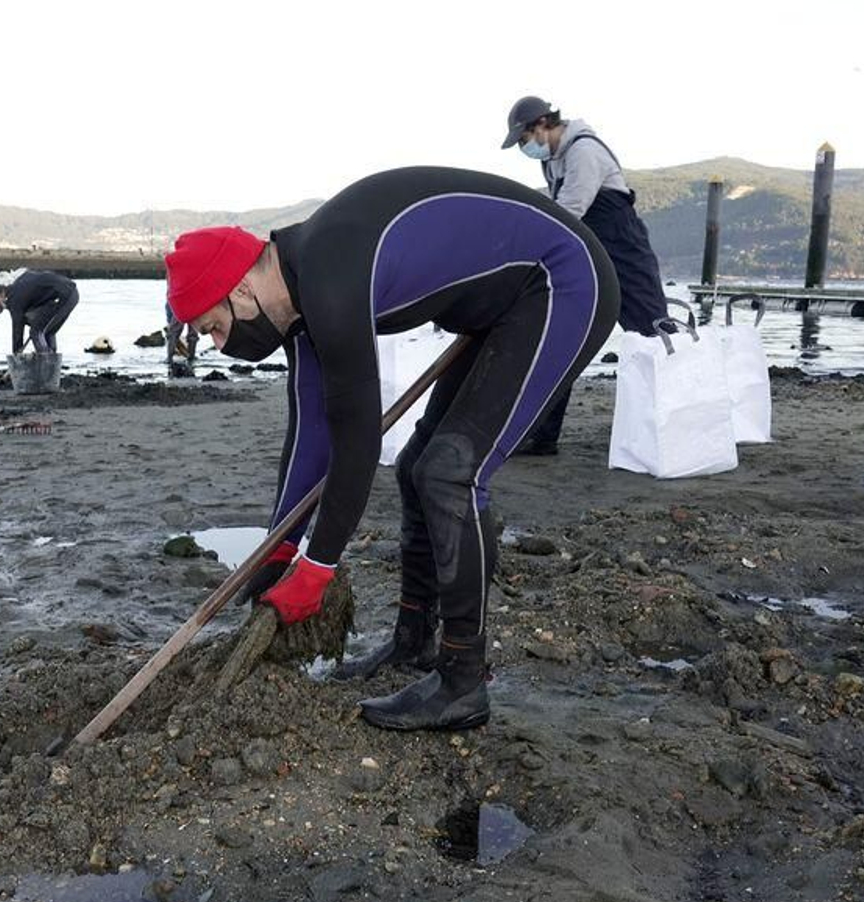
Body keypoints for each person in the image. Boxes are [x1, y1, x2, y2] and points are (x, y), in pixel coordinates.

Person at [165, 167, 618, 732]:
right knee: (415, 469)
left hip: (562, 280)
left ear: (239, 290)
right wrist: (277, 551)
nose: (218, 343)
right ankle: (413, 641)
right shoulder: (300, 297)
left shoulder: (330, 273)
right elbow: (311, 432)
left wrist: (318, 566)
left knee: (450, 473)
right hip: (501, 308)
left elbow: (357, 437)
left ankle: (463, 680)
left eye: (212, 328)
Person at [501, 95, 667, 455]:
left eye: (525, 139)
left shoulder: (583, 150)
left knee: (651, 331)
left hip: (622, 247)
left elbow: (571, 209)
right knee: (560, 334)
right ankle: (541, 434)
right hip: (584, 247)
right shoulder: (552, 161)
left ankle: (671, 423)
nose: (524, 148)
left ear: (542, 125)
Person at [0, 270, 79, 355]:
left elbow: (17, 327)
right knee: (48, 331)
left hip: (64, 295)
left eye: (0, 304)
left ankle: (45, 360)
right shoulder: (21, 284)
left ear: (1, 295)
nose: (5, 307)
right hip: (71, 292)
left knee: (36, 332)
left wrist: (16, 353)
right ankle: (52, 358)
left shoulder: (13, 299)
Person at [164, 301, 198, 376]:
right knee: (193, 333)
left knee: (173, 333)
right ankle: (191, 358)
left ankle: (169, 359)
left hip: (180, 301)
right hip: (195, 301)